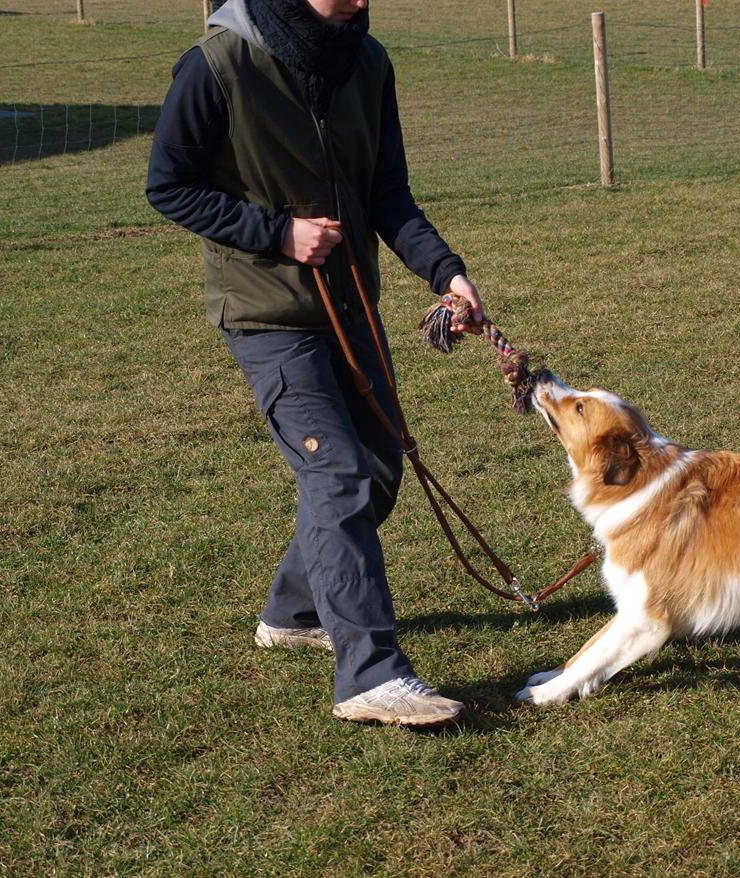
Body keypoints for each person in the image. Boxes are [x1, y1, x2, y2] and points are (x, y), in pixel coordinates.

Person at [146, 0, 484, 727]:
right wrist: (277, 233)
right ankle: (371, 675)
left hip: (351, 303)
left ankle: (295, 613)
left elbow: (387, 192)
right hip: (267, 313)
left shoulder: (369, 62)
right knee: (337, 474)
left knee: (379, 470)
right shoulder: (217, 64)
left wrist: (446, 272)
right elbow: (168, 184)